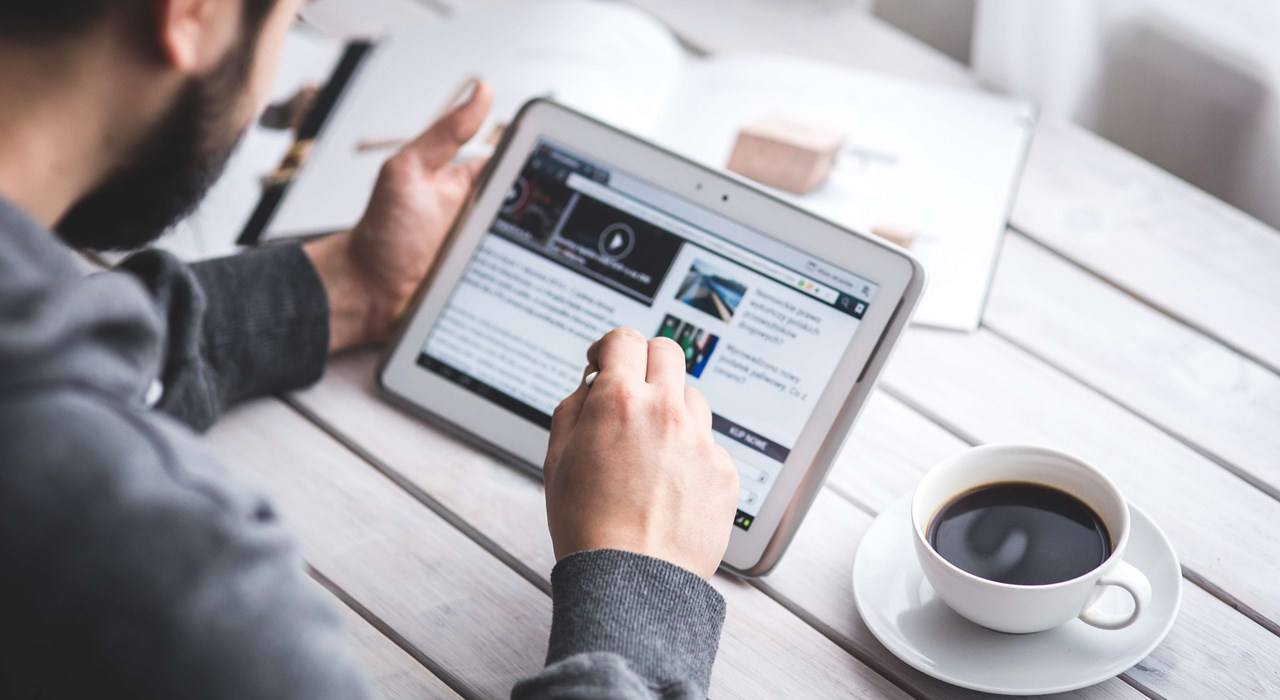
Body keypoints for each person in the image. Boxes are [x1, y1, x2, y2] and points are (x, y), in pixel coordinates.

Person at [0, 0, 741, 697]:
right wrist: (640, 587)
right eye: (292, 17)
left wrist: (345, 284)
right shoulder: (176, 587)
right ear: (193, 12)